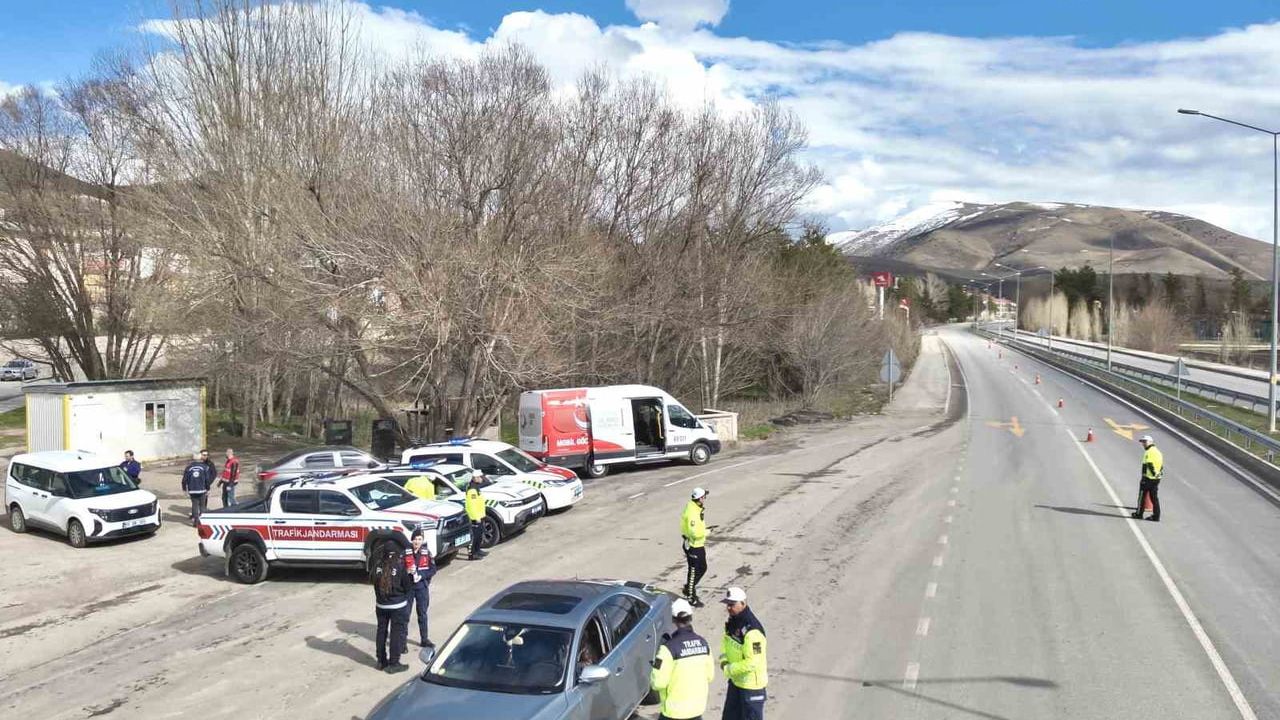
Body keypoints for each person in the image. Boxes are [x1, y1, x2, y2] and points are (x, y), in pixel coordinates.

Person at [651, 598, 715, 720]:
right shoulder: (703, 644)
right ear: (690, 618)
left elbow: (658, 683)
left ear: (673, 619)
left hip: (673, 713)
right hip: (697, 710)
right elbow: (710, 676)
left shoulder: (668, 648)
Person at [719, 587, 767, 720]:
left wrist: (729, 669)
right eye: (727, 604)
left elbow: (753, 663)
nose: (729, 608)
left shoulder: (753, 631)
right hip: (736, 682)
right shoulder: (733, 622)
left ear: (743, 603)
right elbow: (726, 642)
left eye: (732, 604)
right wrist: (723, 660)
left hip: (751, 687)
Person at [371, 546, 413, 673]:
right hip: (397, 606)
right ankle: (394, 663)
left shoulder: (377, 566)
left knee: (381, 632)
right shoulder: (399, 567)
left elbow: (373, 583)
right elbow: (407, 586)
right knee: (396, 634)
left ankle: (381, 661)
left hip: (381, 606)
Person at [403, 528, 437, 647]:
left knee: (422, 614)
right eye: (415, 539)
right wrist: (406, 571)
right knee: (405, 615)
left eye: (419, 539)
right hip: (408, 588)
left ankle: (424, 639)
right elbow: (398, 569)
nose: (417, 542)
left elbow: (433, 569)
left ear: (422, 540)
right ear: (411, 540)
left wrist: (421, 576)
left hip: (421, 587)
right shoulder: (405, 553)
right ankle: (403, 642)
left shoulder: (426, 553)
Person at [682, 488, 710, 607]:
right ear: (700, 498)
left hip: (699, 544)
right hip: (694, 546)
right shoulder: (693, 512)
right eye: (704, 496)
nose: (705, 499)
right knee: (693, 572)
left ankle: (689, 587)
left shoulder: (695, 508)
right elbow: (694, 532)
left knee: (703, 568)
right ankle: (691, 597)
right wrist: (707, 532)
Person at [1132, 434, 1164, 522]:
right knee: (1154, 498)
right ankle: (1156, 516)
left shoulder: (1148, 452)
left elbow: (1148, 465)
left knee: (1142, 496)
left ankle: (1139, 514)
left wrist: (1144, 477)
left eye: (1145, 442)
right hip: (1157, 479)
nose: (1143, 444)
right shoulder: (1158, 452)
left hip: (1148, 478)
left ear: (1150, 442)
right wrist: (1158, 474)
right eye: (1142, 442)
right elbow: (1161, 465)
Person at [181, 449, 216, 525]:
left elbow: (184, 480)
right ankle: (203, 522)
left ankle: (196, 522)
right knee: (202, 506)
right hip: (202, 490)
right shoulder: (204, 467)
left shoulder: (188, 468)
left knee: (195, 505)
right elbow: (207, 480)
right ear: (200, 458)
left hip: (192, 490)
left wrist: (184, 489)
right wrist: (208, 489)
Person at [465, 472, 488, 561]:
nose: (481, 478)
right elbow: (472, 505)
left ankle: (477, 550)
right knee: (475, 536)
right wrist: (476, 517)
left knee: (479, 535)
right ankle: (473, 554)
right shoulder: (472, 490)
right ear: (474, 478)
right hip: (475, 517)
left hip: (480, 515)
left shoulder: (476, 488)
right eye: (479, 477)